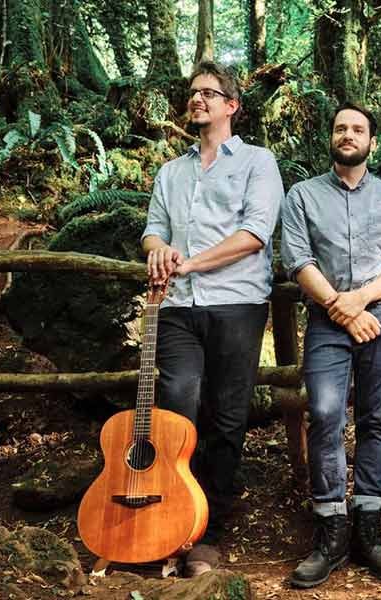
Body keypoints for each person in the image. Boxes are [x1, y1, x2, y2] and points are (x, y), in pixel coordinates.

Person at [141, 60, 282, 574]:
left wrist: (190, 260)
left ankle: (207, 532)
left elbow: (255, 233)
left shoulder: (258, 163)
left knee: (226, 416)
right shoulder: (170, 172)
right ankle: (170, 519)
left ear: (231, 105)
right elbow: (153, 229)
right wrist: (159, 250)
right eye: (193, 92)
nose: (197, 99)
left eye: (209, 92)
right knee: (177, 408)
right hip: (178, 307)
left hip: (236, 303)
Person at [281, 103, 381, 588]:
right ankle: (330, 533)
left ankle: (370, 527)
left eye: (358, 128)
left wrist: (359, 302)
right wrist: (340, 308)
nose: (348, 134)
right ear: (331, 137)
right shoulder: (302, 195)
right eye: (341, 127)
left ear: (372, 142)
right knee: (323, 414)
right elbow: (297, 259)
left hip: (380, 321)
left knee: (375, 419)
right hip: (325, 323)